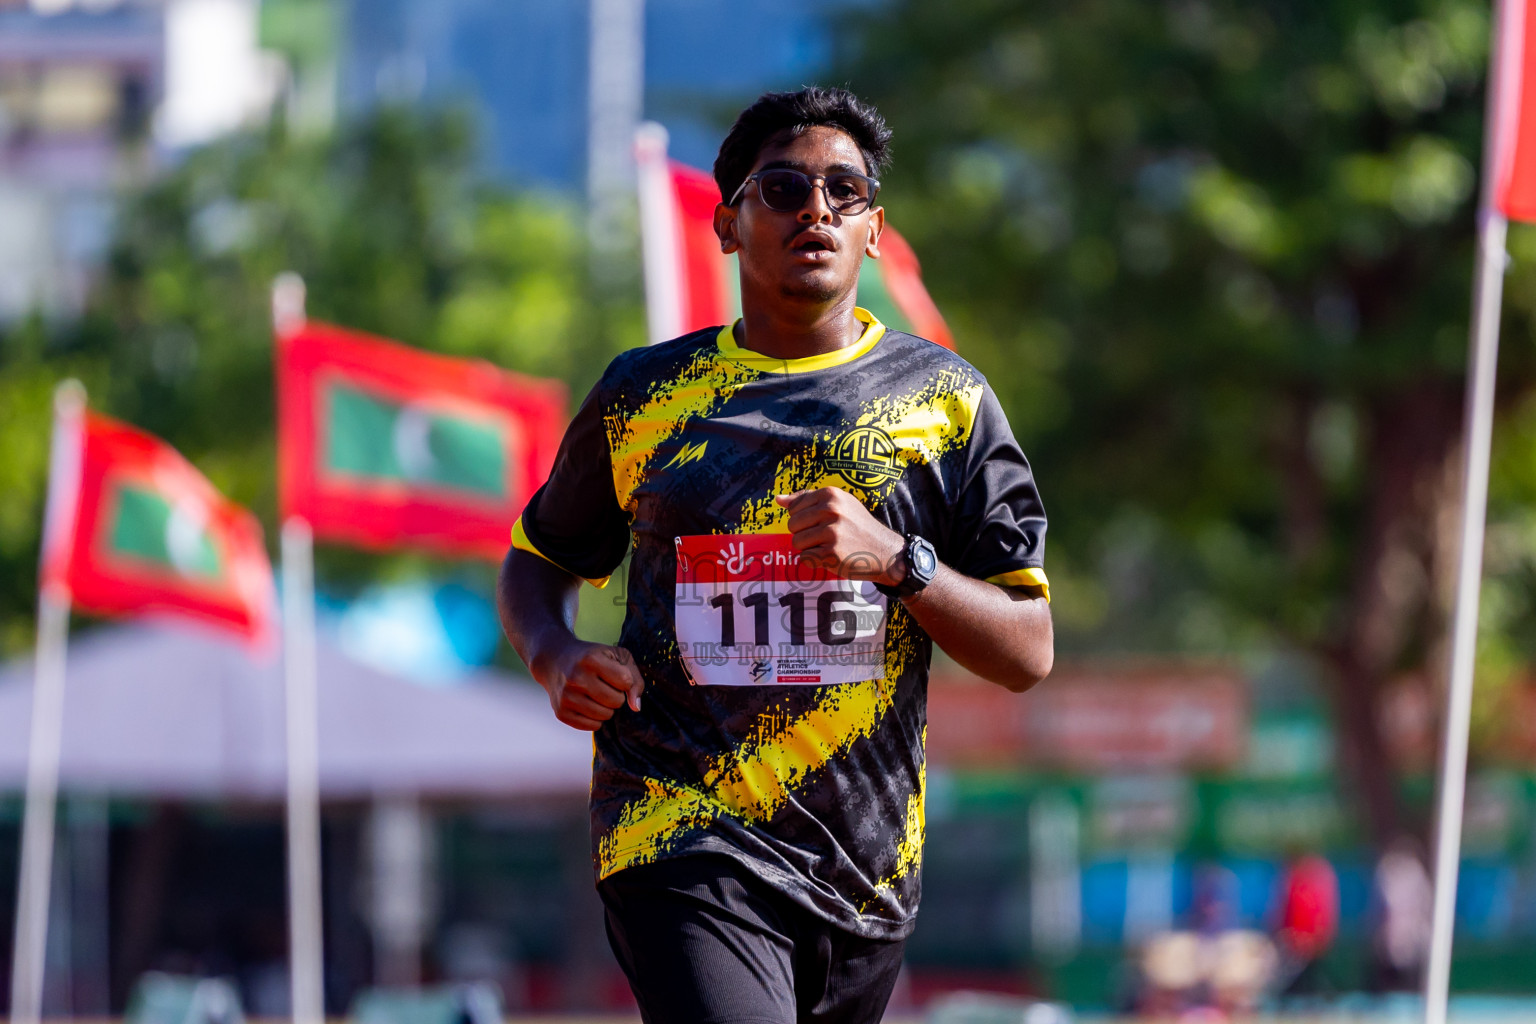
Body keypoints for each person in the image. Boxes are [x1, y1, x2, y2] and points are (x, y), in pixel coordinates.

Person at [497, 86, 1054, 1024]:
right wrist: (555, 656)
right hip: (677, 830)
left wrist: (898, 560)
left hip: (862, 869)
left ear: (874, 229)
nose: (817, 210)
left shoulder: (948, 403)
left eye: (845, 190)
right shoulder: (645, 395)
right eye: (785, 188)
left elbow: (1027, 649)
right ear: (728, 226)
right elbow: (537, 556)